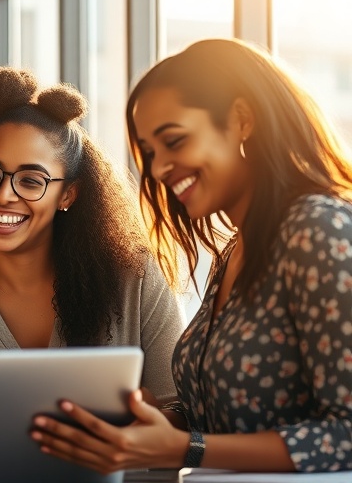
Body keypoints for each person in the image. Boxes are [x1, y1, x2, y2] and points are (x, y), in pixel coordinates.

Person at [32, 38, 352, 474]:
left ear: (242, 120)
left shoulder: (316, 230)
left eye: (174, 141)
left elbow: (346, 434)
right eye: (149, 152)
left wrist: (185, 448)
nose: (160, 168)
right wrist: (147, 425)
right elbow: (226, 411)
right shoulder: (235, 250)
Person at [0, 67, 185, 401]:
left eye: (31, 180)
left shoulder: (136, 278)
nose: (3, 195)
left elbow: (181, 412)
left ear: (68, 195)